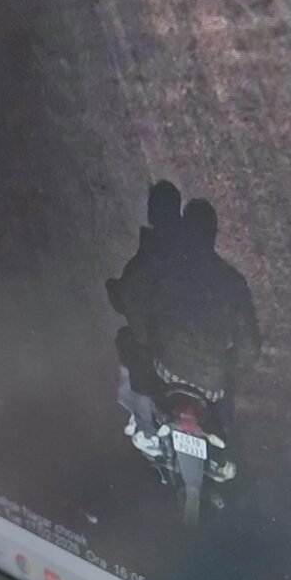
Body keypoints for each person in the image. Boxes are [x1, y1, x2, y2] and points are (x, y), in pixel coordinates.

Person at [149, 198, 261, 477]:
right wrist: (228, 369)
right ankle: (223, 458)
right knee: (225, 413)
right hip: (211, 383)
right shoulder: (232, 282)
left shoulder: (167, 269)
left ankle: (152, 441)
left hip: (166, 369)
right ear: (213, 233)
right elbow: (249, 347)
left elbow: (151, 315)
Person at [106, 180, 182, 455]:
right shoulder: (192, 252)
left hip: (164, 351)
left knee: (128, 345)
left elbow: (128, 297)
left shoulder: (148, 256)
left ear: (151, 214)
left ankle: (146, 427)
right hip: (191, 351)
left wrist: (113, 289)